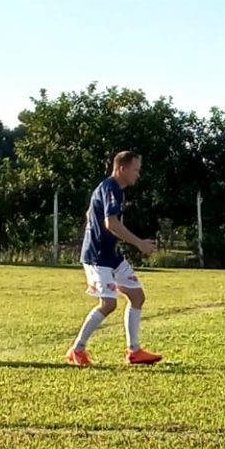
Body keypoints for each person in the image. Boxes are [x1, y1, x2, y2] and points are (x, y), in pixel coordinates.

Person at [65, 150, 162, 367]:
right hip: (98, 257)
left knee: (137, 296)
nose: (138, 174)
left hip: (111, 255)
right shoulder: (111, 189)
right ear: (122, 169)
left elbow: (91, 214)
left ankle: (134, 352)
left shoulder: (112, 189)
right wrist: (139, 243)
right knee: (108, 303)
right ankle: (77, 349)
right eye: (135, 170)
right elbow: (111, 223)